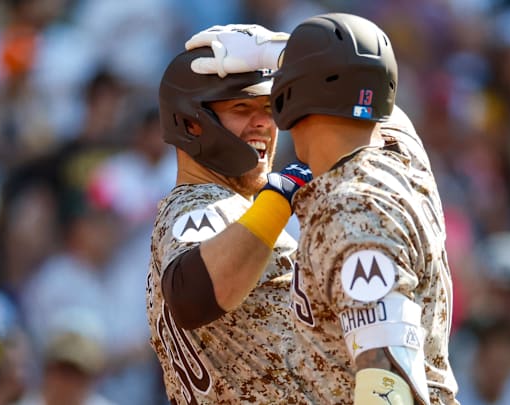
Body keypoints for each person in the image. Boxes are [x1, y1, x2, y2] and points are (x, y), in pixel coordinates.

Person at [187, 14, 459, 404]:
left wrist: (289, 54)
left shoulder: (350, 206)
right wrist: (285, 53)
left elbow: (387, 380)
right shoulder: (404, 156)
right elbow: (373, 93)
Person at [145, 37, 313, 404]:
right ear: (192, 124)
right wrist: (281, 195)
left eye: (270, 108)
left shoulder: (230, 208)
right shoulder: (200, 204)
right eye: (242, 107)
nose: (264, 123)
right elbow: (193, 293)